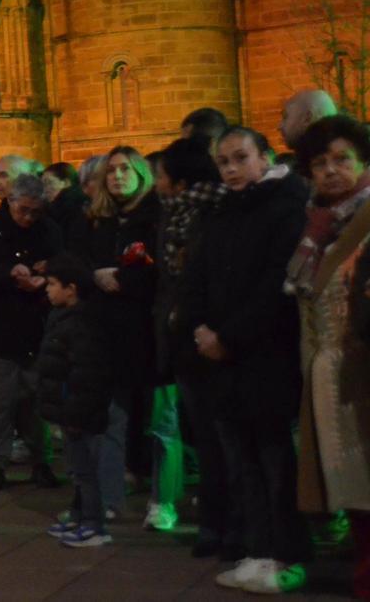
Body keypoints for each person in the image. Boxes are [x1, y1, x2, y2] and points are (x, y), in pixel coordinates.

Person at [180, 127, 310, 594]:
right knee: (242, 462)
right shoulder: (222, 211)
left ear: (264, 157)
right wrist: (199, 328)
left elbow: (276, 283)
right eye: (224, 162)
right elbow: (196, 274)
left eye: (241, 158)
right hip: (222, 356)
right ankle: (257, 549)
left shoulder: (285, 207)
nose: (231, 169)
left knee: (274, 461)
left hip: (264, 356)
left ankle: (287, 554)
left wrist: (227, 336)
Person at [284, 115, 370, 599]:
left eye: (342, 159)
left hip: (361, 373)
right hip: (329, 376)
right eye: (320, 163)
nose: (331, 171)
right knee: (354, 495)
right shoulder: (318, 225)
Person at [154, 136, 236, 558]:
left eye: (162, 175)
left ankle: (228, 527)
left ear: (180, 181)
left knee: (223, 440)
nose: (157, 183)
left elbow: (203, 280)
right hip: (184, 341)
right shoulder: (177, 214)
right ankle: (214, 524)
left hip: (211, 341)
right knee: (204, 438)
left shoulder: (211, 214)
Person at [70, 146, 160, 522]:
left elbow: (159, 270)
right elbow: (81, 261)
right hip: (109, 331)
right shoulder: (100, 221)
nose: (118, 176)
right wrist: (94, 276)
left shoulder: (154, 217)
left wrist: (121, 278)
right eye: (111, 171)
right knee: (113, 417)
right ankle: (109, 497)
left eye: (125, 169)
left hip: (148, 331)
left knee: (158, 421)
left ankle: (161, 497)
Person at [0, 173, 61, 491]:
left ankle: (41, 461)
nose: (28, 218)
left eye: (35, 211)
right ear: (11, 202)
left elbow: (63, 262)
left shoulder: (49, 230)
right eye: (23, 211)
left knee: (36, 399)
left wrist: (45, 278)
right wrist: (8, 273)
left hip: (35, 327)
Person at [38, 254, 114, 548]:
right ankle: (82, 516)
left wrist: (74, 413)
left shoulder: (82, 323)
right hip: (71, 410)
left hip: (79, 413)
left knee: (85, 471)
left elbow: (85, 374)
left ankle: (94, 525)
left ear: (71, 288)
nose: (47, 289)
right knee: (77, 468)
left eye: (53, 284)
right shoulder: (64, 317)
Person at [43, 162, 87, 237]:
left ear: (66, 183)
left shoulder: (63, 209)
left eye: (49, 182)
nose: (45, 189)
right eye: (43, 184)